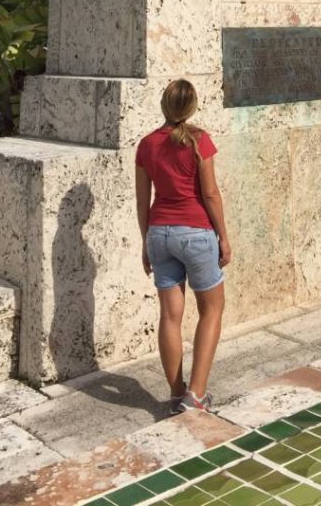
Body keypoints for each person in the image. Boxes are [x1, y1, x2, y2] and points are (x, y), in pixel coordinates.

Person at [135, 79, 232, 413]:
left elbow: (142, 200)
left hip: (159, 233)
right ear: (191, 107)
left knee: (170, 316)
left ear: (164, 105)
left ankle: (177, 394)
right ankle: (197, 394)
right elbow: (210, 194)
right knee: (212, 309)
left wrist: (146, 242)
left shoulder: (146, 144)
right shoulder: (198, 141)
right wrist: (224, 235)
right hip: (196, 232)